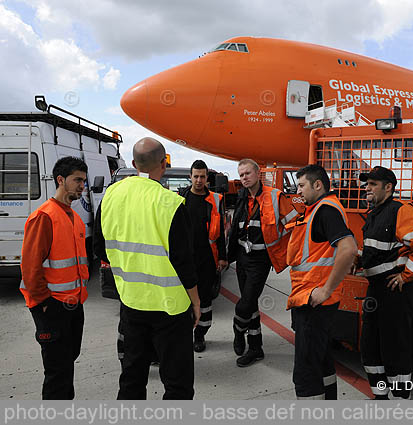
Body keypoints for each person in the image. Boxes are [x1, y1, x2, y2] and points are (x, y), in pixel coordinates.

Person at [93, 137, 200, 400]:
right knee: (177, 383)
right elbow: (184, 261)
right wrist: (195, 301)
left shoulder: (111, 195)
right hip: (170, 308)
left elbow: (99, 247)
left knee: (132, 377)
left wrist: (127, 265)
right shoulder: (171, 204)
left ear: (133, 164)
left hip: (131, 302)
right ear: (164, 164)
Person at [360, 166, 413, 400]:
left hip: (395, 291)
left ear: (388, 187)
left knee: (394, 347)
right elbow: (379, 249)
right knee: (370, 345)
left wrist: (406, 276)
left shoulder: (400, 210)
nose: (367, 188)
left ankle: (400, 400)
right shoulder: (375, 212)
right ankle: (381, 396)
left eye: (373, 184)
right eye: (367, 184)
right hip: (376, 289)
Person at [20, 156, 89, 400]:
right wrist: (44, 304)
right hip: (53, 307)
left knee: (66, 364)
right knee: (57, 374)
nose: (82, 185)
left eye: (84, 180)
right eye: (77, 180)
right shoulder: (45, 216)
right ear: (61, 180)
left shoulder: (74, 217)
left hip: (72, 305)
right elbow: (30, 267)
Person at [286, 165, 357, 400]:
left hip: (313, 301)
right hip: (313, 299)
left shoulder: (325, 211)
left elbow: (348, 249)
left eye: (301, 186)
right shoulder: (320, 209)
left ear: (318, 185)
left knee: (306, 372)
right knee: (322, 359)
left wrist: (326, 290)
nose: (298, 191)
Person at [227, 158, 297, 367]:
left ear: (258, 174)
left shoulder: (275, 197)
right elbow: (233, 231)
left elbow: (295, 226)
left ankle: (238, 330)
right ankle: (256, 348)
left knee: (246, 302)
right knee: (252, 305)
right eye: (241, 175)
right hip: (242, 257)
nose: (244, 178)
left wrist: (290, 253)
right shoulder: (241, 197)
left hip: (261, 259)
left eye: (248, 173)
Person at [178, 160, 228, 352]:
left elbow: (221, 230)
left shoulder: (216, 199)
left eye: (202, 176)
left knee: (205, 300)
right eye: (195, 176)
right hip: (184, 258)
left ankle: (200, 336)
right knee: (184, 300)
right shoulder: (180, 198)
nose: (199, 180)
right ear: (190, 177)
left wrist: (223, 257)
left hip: (207, 258)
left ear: (207, 178)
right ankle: (183, 334)